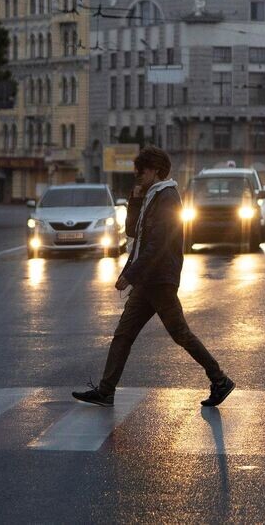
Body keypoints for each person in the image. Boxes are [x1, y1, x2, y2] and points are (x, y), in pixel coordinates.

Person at [72, 146, 234, 409]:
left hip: (159, 280)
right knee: (123, 334)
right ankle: (106, 391)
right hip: (147, 281)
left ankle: (220, 379)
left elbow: (157, 244)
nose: (137, 175)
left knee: (180, 334)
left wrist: (130, 275)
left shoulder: (167, 197)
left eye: (142, 171)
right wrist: (135, 200)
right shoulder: (151, 196)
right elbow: (132, 232)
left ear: (156, 170)